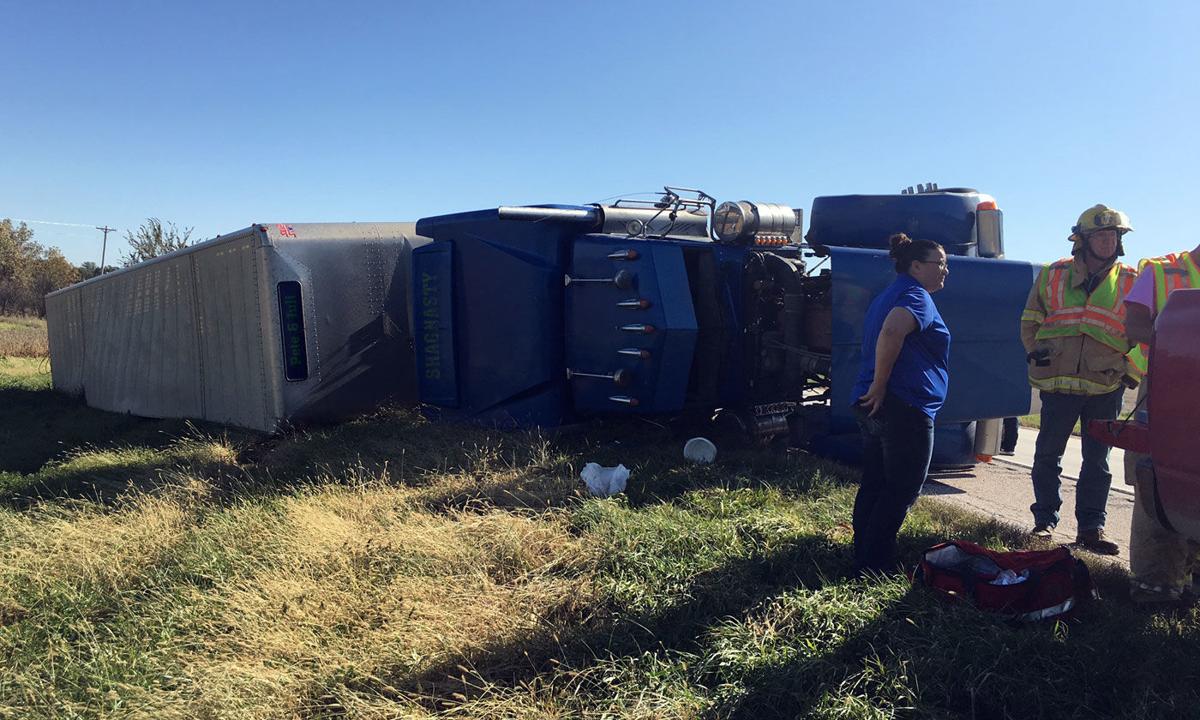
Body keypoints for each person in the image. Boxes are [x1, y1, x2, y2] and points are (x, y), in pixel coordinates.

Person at [1019, 204, 1139, 555]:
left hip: (1105, 386)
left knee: (1097, 462)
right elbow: (1030, 317)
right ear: (1082, 240)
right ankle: (1044, 523)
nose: (1107, 241)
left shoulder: (1132, 281)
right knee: (1047, 455)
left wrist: (1130, 371)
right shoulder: (1054, 274)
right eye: (1100, 235)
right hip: (1058, 382)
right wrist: (1034, 350)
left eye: (1113, 235)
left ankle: (1091, 529)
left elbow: (1143, 333)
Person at [851, 233, 951, 575]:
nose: (945, 271)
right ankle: (875, 565)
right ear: (917, 266)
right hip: (903, 405)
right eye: (940, 264)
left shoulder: (889, 293)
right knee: (901, 489)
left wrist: (876, 389)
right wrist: (881, 386)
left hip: (875, 402)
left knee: (876, 483)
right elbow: (892, 332)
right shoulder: (915, 295)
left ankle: (862, 554)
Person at [1123, 242, 1200, 604]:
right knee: (1157, 482)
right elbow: (1135, 324)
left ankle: (1191, 578)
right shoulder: (1160, 271)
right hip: (1168, 384)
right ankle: (1155, 583)